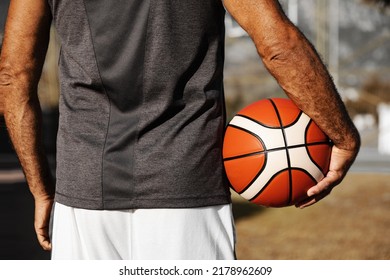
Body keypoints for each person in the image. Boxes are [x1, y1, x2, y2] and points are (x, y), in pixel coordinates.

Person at [0, 0, 360, 260]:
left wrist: (42, 190)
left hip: (84, 194)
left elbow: (13, 76)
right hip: (185, 188)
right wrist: (343, 135)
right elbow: (278, 46)